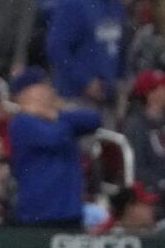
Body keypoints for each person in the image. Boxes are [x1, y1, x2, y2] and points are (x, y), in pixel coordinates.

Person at [7, 68, 101, 227]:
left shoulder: (58, 118)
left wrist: (56, 114)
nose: (49, 91)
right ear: (25, 93)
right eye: (41, 87)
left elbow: (94, 119)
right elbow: (56, 137)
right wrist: (60, 117)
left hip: (69, 211)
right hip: (38, 213)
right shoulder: (21, 122)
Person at [46, 0, 129, 104]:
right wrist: (84, 81)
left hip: (107, 97)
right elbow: (56, 47)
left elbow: (118, 48)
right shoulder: (75, 2)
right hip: (75, 96)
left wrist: (120, 81)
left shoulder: (115, 3)